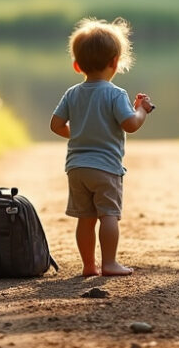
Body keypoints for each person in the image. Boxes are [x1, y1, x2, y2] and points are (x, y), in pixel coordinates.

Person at [49, 17, 155, 277]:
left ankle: (88, 265)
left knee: (85, 218)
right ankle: (109, 263)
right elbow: (130, 124)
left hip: (76, 168)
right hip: (106, 168)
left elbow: (55, 124)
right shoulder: (115, 94)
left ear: (77, 65)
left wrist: (78, 134)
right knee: (108, 215)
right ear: (115, 62)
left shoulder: (72, 93)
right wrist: (141, 110)